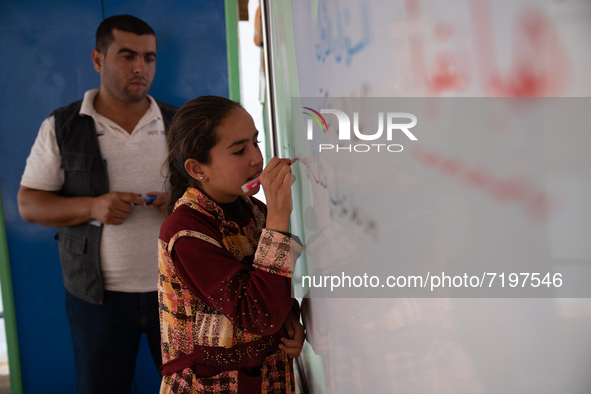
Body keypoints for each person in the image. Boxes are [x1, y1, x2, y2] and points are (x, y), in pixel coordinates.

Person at [17, 15, 177, 394]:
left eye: (149, 58)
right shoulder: (63, 125)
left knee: (189, 388)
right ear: (98, 59)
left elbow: (216, 192)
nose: (140, 67)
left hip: (176, 291)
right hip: (95, 298)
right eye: (127, 55)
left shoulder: (179, 123)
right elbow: (28, 204)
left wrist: (181, 202)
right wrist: (92, 207)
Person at [158, 95, 305, 393]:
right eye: (239, 150)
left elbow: (269, 290)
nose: (257, 159)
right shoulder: (185, 232)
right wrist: (279, 214)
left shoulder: (253, 210)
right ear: (198, 169)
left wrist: (289, 317)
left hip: (267, 376)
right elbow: (256, 313)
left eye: (256, 142)